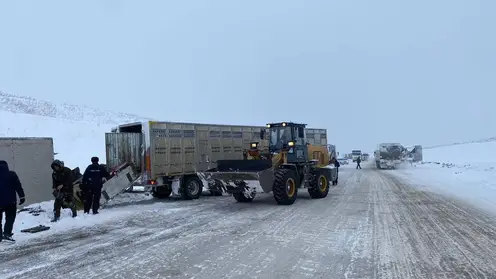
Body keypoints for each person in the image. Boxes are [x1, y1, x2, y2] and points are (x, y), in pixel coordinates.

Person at [0, 160, 26, 242]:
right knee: (10, 217)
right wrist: (22, 197)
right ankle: (7, 234)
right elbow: (18, 186)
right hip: (10, 201)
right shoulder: (11, 174)